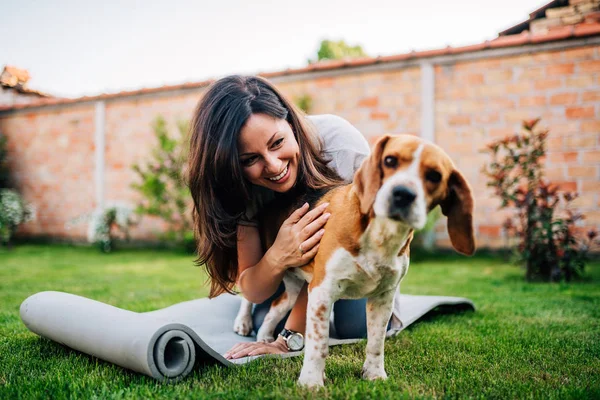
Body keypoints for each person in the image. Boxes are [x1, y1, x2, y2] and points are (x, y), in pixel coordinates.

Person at [187, 75, 372, 360]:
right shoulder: (240, 187)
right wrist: (279, 255)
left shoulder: (341, 148)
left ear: (290, 123)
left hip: (356, 254)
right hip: (296, 269)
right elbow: (251, 288)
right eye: (250, 159)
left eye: (277, 143)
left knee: (355, 326)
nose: (274, 167)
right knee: (262, 324)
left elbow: (336, 258)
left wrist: (289, 338)